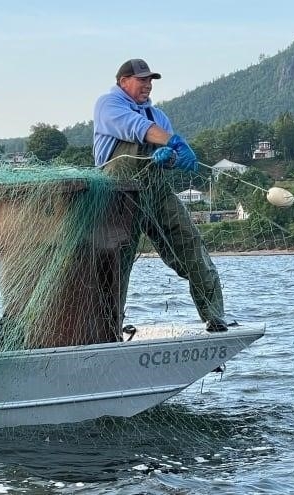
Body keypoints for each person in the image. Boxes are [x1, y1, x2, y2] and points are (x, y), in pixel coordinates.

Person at [93, 58, 227, 333]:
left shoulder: (159, 116)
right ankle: (108, 329)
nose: (148, 85)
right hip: (118, 192)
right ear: (123, 82)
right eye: (142, 79)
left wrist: (170, 158)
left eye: (151, 80)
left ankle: (215, 317)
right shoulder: (108, 105)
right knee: (117, 262)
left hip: (155, 190)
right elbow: (135, 128)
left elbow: (166, 153)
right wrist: (173, 141)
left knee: (191, 244)